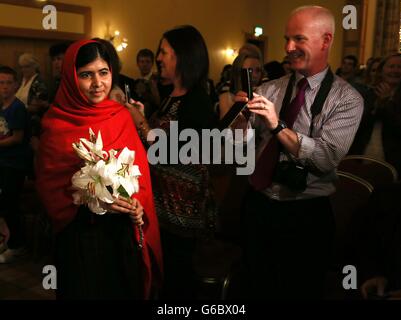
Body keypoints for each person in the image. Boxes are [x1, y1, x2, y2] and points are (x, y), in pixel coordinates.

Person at [233, 6, 364, 299]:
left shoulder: (347, 99)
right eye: (286, 39)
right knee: (254, 287)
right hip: (259, 205)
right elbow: (236, 150)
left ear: (326, 40)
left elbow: (325, 159)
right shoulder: (270, 89)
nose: (288, 48)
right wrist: (238, 120)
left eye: (299, 39)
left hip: (305, 217)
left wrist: (277, 125)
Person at [35, 40, 162, 299]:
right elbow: (50, 187)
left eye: (103, 72)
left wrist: (136, 203)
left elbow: (139, 171)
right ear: (71, 77)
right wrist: (94, 197)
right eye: (86, 75)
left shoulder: (120, 116)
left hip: (121, 235)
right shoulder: (56, 123)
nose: (97, 83)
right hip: (81, 237)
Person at [127, 25, 217, 299]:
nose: (158, 58)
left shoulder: (197, 99)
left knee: (180, 279)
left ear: (183, 57)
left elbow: (183, 149)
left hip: (182, 211)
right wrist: (143, 117)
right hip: (161, 204)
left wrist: (141, 123)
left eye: (164, 51)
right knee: (165, 275)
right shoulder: (170, 97)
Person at [0, 66, 31, 263]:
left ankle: (17, 245)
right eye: (0, 83)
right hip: (3, 161)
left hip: (14, 164)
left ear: (16, 84)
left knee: (10, 205)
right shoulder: (1, 106)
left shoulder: (18, 108)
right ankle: (7, 239)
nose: (4, 87)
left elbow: (17, 138)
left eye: (8, 83)